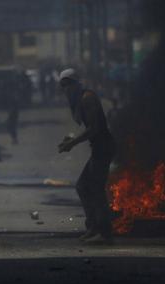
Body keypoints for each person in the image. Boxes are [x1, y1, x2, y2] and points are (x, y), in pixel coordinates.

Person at [57, 68, 115, 244]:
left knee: (96, 189)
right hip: (98, 148)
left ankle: (104, 233)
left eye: (68, 85)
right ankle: (93, 227)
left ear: (76, 84)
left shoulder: (87, 98)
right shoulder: (79, 100)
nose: (66, 89)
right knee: (83, 187)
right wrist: (70, 139)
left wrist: (72, 144)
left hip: (104, 148)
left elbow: (94, 128)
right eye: (63, 86)